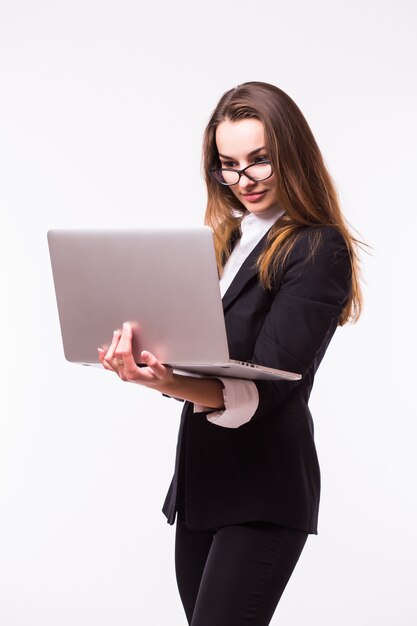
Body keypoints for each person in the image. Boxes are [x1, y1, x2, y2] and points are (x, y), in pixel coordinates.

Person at [98, 81, 362, 626]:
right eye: (228, 164)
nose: (243, 180)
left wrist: (162, 381)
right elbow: (202, 367)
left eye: (259, 161)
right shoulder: (221, 242)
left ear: (291, 154)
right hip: (203, 484)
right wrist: (151, 363)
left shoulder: (317, 246)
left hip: (263, 488)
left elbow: (266, 389)